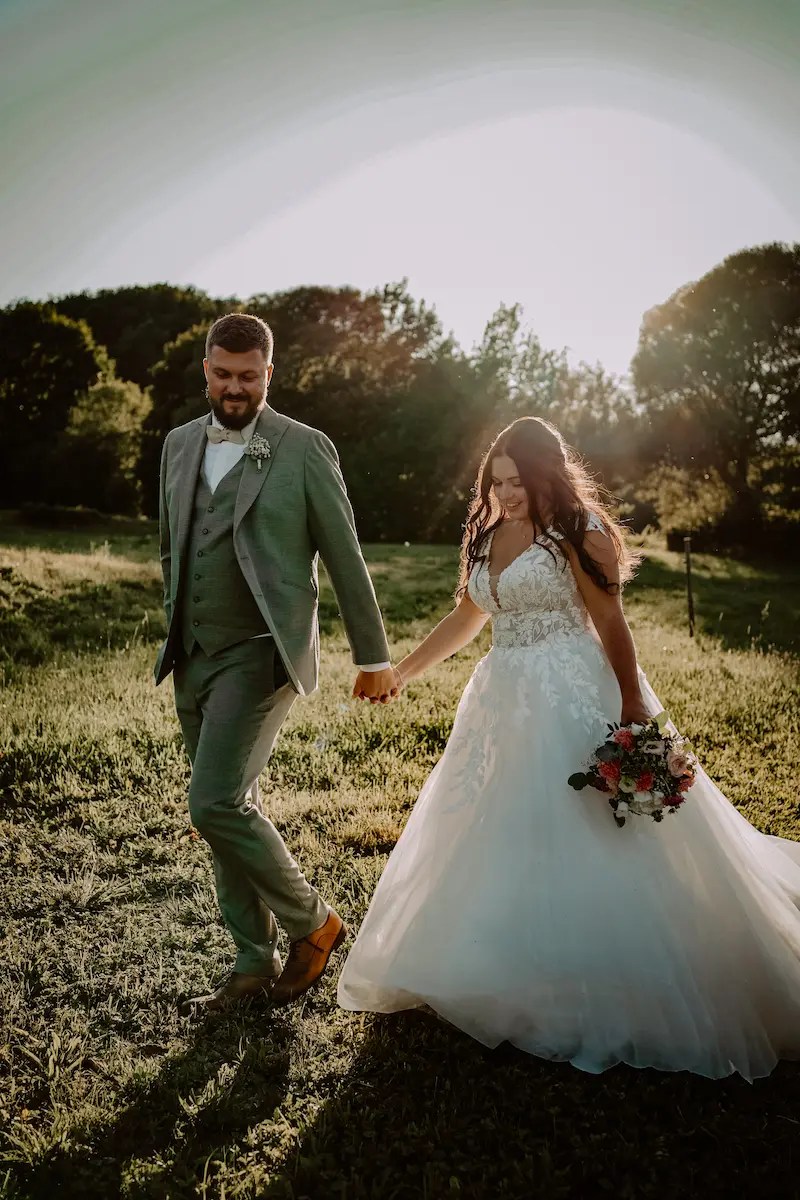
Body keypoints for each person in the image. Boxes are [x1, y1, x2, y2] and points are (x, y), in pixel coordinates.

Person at [338, 416, 800, 1079]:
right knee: (500, 824)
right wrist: (402, 674)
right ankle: (508, 964)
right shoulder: (489, 532)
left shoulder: (580, 534)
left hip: (572, 692)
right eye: (496, 481)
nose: (507, 493)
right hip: (500, 700)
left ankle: (610, 970)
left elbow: (611, 620)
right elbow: (469, 617)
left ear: (546, 472)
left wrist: (633, 702)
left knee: (593, 828)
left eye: (517, 481)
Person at [156, 312, 398, 1013]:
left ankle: (314, 922)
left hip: (263, 651)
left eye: (249, 376)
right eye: (224, 375)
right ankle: (250, 963)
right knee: (223, 810)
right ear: (206, 370)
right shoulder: (176, 446)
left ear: (270, 373)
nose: (235, 388)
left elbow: (346, 558)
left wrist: (373, 655)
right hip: (192, 651)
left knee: (214, 801)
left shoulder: (303, 447)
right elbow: (173, 543)